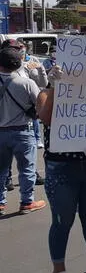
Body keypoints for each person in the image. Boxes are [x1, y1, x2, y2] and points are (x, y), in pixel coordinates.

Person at [36, 66, 86, 273]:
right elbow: (45, 117)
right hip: (62, 167)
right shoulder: (45, 93)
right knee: (62, 221)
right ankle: (59, 268)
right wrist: (54, 87)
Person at [0, 47, 47, 215]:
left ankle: (0, 202)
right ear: (19, 63)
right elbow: (42, 106)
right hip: (22, 131)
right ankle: (27, 201)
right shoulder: (27, 83)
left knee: (1, 170)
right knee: (27, 168)